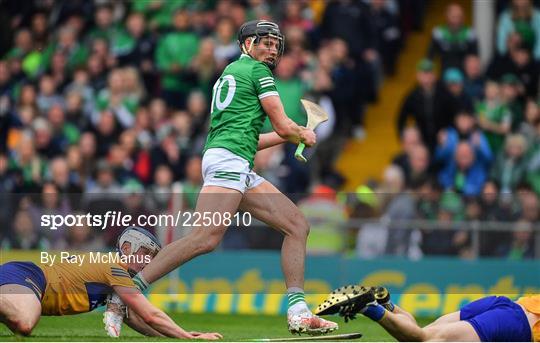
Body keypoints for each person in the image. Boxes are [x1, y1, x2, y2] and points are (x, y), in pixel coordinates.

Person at [112, 20, 338, 336]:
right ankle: (128, 291)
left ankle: (299, 312)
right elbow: (283, 123)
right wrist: (300, 132)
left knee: (297, 225)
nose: (271, 49)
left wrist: (290, 135)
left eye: (275, 44)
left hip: (233, 160)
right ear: (246, 43)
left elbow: (251, 138)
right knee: (205, 237)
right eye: (264, 42)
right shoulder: (259, 73)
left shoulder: (231, 72)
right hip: (229, 162)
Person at [0, 227, 221, 340]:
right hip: (27, 277)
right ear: (127, 248)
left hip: (26, 280)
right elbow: (150, 315)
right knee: (24, 322)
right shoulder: (115, 267)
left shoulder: (113, 273)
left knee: (21, 328)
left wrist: (177, 337)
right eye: (145, 254)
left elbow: (134, 317)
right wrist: (188, 338)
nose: (148, 263)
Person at [315, 285, 539, 342]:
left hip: (504, 304)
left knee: (419, 334)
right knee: (425, 340)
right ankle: (367, 306)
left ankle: (387, 305)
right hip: (516, 324)